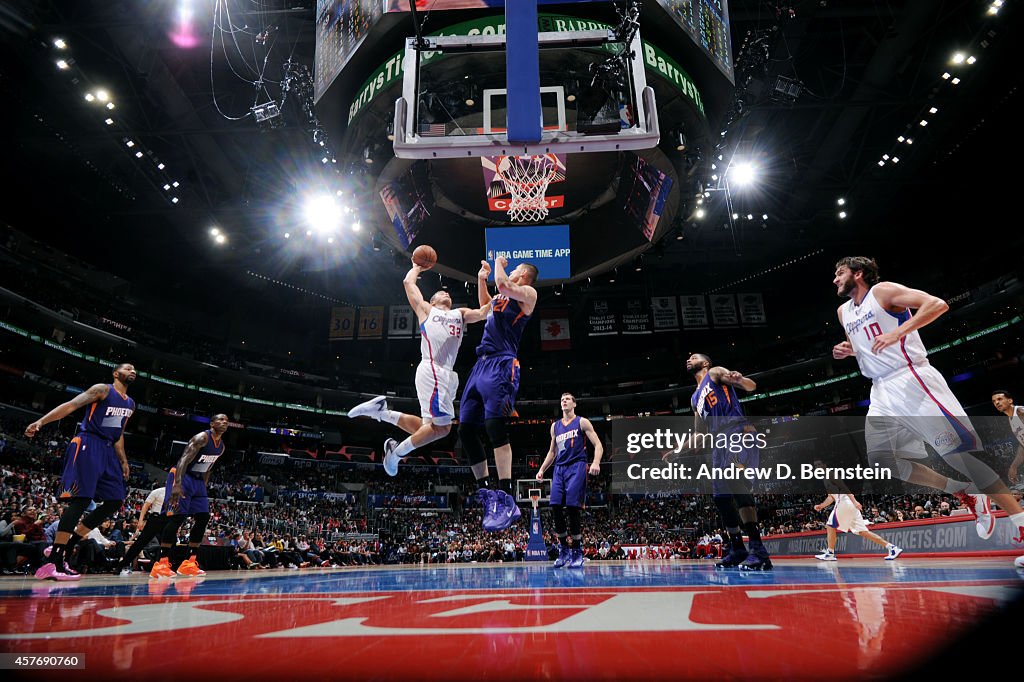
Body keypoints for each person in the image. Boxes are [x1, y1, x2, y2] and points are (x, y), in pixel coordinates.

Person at [831, 257, 1024, 545]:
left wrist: (898, 331)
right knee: (882, 462)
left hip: (911, 379)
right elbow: (865, 347)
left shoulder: (882, 291)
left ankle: (1019, 521)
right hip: (880, 390)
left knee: (958, 455)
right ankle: (964, 490)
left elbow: (936, 304)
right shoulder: (843, 312)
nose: (835, 279)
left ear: (858, 274)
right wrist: (851, 350)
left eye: (840, 273)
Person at [348, 259, 489, 476]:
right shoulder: (425, 310)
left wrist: (482, 279)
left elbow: (484, 312)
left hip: (446, 374)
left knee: (426, 428)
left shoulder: (460, 314)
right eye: (441, 294)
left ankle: (381, 413)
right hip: (432, 370)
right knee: (443, 429)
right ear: (432, 301)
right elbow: (408, 282)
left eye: (448, 294)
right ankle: (394, 455)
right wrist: (417, 267)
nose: (446, 294)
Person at [24, 362, 136, 581]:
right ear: (116, 373)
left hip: (108, 450)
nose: (132, 372)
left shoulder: (130, 403)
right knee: (81, 500)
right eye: (127, 368)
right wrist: (41, 422)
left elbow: (119, 433)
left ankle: (71, 543)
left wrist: (123, 460)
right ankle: (53, 561)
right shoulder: (103, 389)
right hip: (88, 443)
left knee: (115, 500)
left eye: (134, 370)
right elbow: (71, 405)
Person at [459, 256, 538, 531]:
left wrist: (499, 263)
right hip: (480, 366)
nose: (511, 270)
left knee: (494, 427)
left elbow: (503, 284)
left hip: (503, 365)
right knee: (466, 430)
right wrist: (482, 278)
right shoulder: (501, 298)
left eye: (516, 268)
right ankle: (487, 494)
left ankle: (507, 497)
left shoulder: (528, 294)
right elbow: (486, 305)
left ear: (524, 274)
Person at [687, 353, 772, 570]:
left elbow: (750, 386)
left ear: (705, 363)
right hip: (718, 442)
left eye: (693, 357)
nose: (688, 359)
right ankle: (737, 548)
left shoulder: (715, 373)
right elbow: (699, 433)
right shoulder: (694, 398)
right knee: (721, 498)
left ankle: (758, 549)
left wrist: (740, 379)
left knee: (735, 482)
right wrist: (676, 450)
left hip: (736, 429)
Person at [150, 414, 230, 578]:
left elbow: (208, 467)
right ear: (212, 423)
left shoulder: (221, 446)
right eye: (220, 420)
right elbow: (183, 460)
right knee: (177, 517)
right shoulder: (202, 438)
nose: (224, 422)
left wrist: (203, 487)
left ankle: (189, 563)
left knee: (203, 517)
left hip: (198, 480)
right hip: (182, 476)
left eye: (226, 421)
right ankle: (161, 563)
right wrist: (177, 484)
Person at [536, 392, 603, 568]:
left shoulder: (582, 422)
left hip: (577, 466)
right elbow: (552, 452)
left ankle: (577, 552)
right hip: (559, 468)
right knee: (555, 506)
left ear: (574, 404)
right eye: (561, 399)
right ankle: (564, 549)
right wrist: (542, 469)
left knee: (573, 507)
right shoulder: (555, 427)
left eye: (567, 399)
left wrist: (595, 462)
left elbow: (598, 445)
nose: (564, 401)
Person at [813, 492, 903, 561]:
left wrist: (855, 501)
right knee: (862, 531)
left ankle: (830, 553)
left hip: (844, 503)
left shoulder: (831, 474)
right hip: (850, 505)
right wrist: (821, 506)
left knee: (830, 526)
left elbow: (845, 488)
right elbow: (831, 497)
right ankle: (892, 548)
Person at [115, 485, 168, 576]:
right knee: (140, 543)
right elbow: (145, 506)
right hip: (155, 519)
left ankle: (163, 567)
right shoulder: (158, 491)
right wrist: (140, 520)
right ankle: (122, 564)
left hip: (168, 519)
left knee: (169, 543)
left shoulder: (177, 494)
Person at [991, 390, 1024, 486]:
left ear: (1010, 400)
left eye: (1000, 399)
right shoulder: (1011, 419)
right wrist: (1013, 466)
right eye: (994, 401)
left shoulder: (1020, 412)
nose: (997, 402)